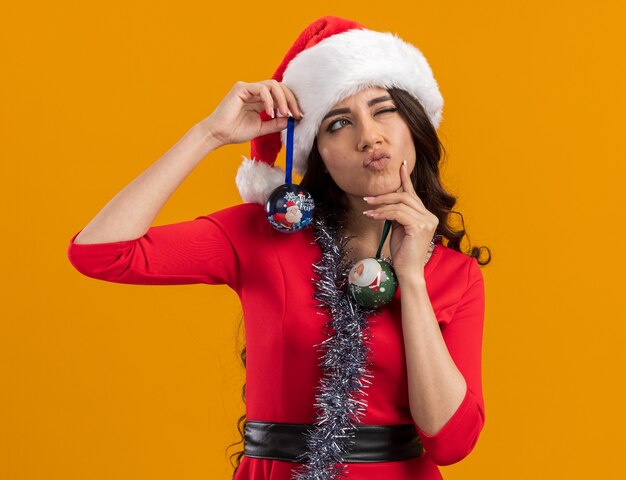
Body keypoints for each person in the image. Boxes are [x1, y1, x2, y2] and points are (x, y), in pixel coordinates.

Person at [67, 15, 491, 480]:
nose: (369, 136)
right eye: (338, 123)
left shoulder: (456, 276)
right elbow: (100, 252)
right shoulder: (262, 235)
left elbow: (450, 442)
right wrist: (209, 134)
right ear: (318, 155)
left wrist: (410, 278)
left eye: (383, 109)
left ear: (414, 125)